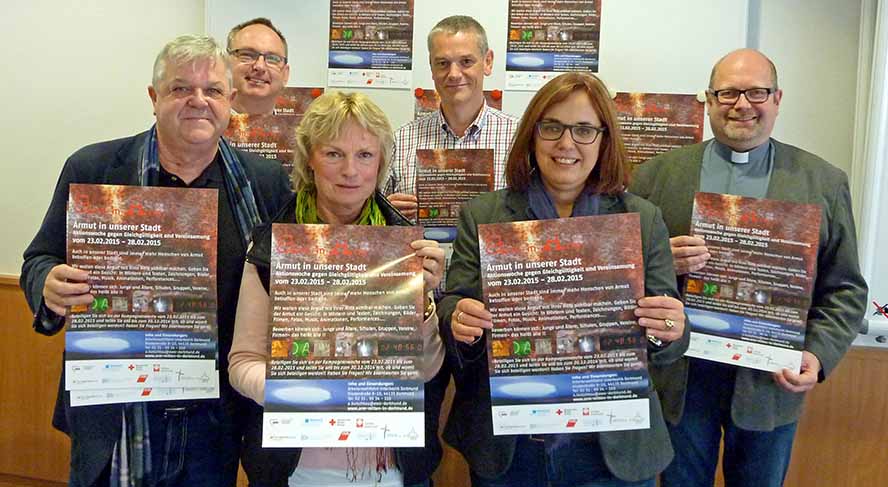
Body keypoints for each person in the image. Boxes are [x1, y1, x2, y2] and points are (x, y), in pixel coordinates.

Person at [20, 35, 293, 487]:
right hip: (116, 414)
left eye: (213, 90)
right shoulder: (94, 169)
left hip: (217, 419)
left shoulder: (264, 183)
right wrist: (47, 283)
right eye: (181, 88)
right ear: (153, 97)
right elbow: (39, 258)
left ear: (231, 101)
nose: (198, 102)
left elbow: (287, 284)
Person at [629, 48, 868, 487]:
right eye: (728, 93)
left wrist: (816, 355)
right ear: (709, 100)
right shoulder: (655, 177)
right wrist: (661, 259)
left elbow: (846, 289)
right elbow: (621, 278)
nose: (743, 104)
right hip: (682, 379)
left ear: (777, 99)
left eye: (757, 92)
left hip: (770, 382)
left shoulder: (822, 182)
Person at [438, 71, 690, 487]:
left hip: (609, 448)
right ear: (532, 135)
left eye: (584, 129)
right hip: (512, 445)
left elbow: (669, 341)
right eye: (552, 127)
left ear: (604, 138)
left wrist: (669, 328)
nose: (566, 143)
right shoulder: (483, 215)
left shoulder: (642, 220)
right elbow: (453, 306)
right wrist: (457, 318)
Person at [228, 91, 449, 487]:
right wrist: (303, 392)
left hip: (392, 467)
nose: (350, 170)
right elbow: (242, 363)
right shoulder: (270, 247)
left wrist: (424, 306)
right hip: (294, 467)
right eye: (333, 154)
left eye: (365, 155)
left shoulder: (405, 248)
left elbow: (428, 369)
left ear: (381, 163)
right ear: (309, 159)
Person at [384, 15, 518, 219]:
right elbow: (374, 220)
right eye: (443, 63)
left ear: (488, 62)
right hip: (423, 251)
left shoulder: (520, 138)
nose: (454, 74)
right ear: (431, 66)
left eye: (466, 61)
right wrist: (387, 211)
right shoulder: (400, 141)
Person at [227, 17, 291, 115]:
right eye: (247, 55)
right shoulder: (200, 128)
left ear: (285, 74)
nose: (260, 66)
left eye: (272, 59)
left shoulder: (300, 130)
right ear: (226, 63)